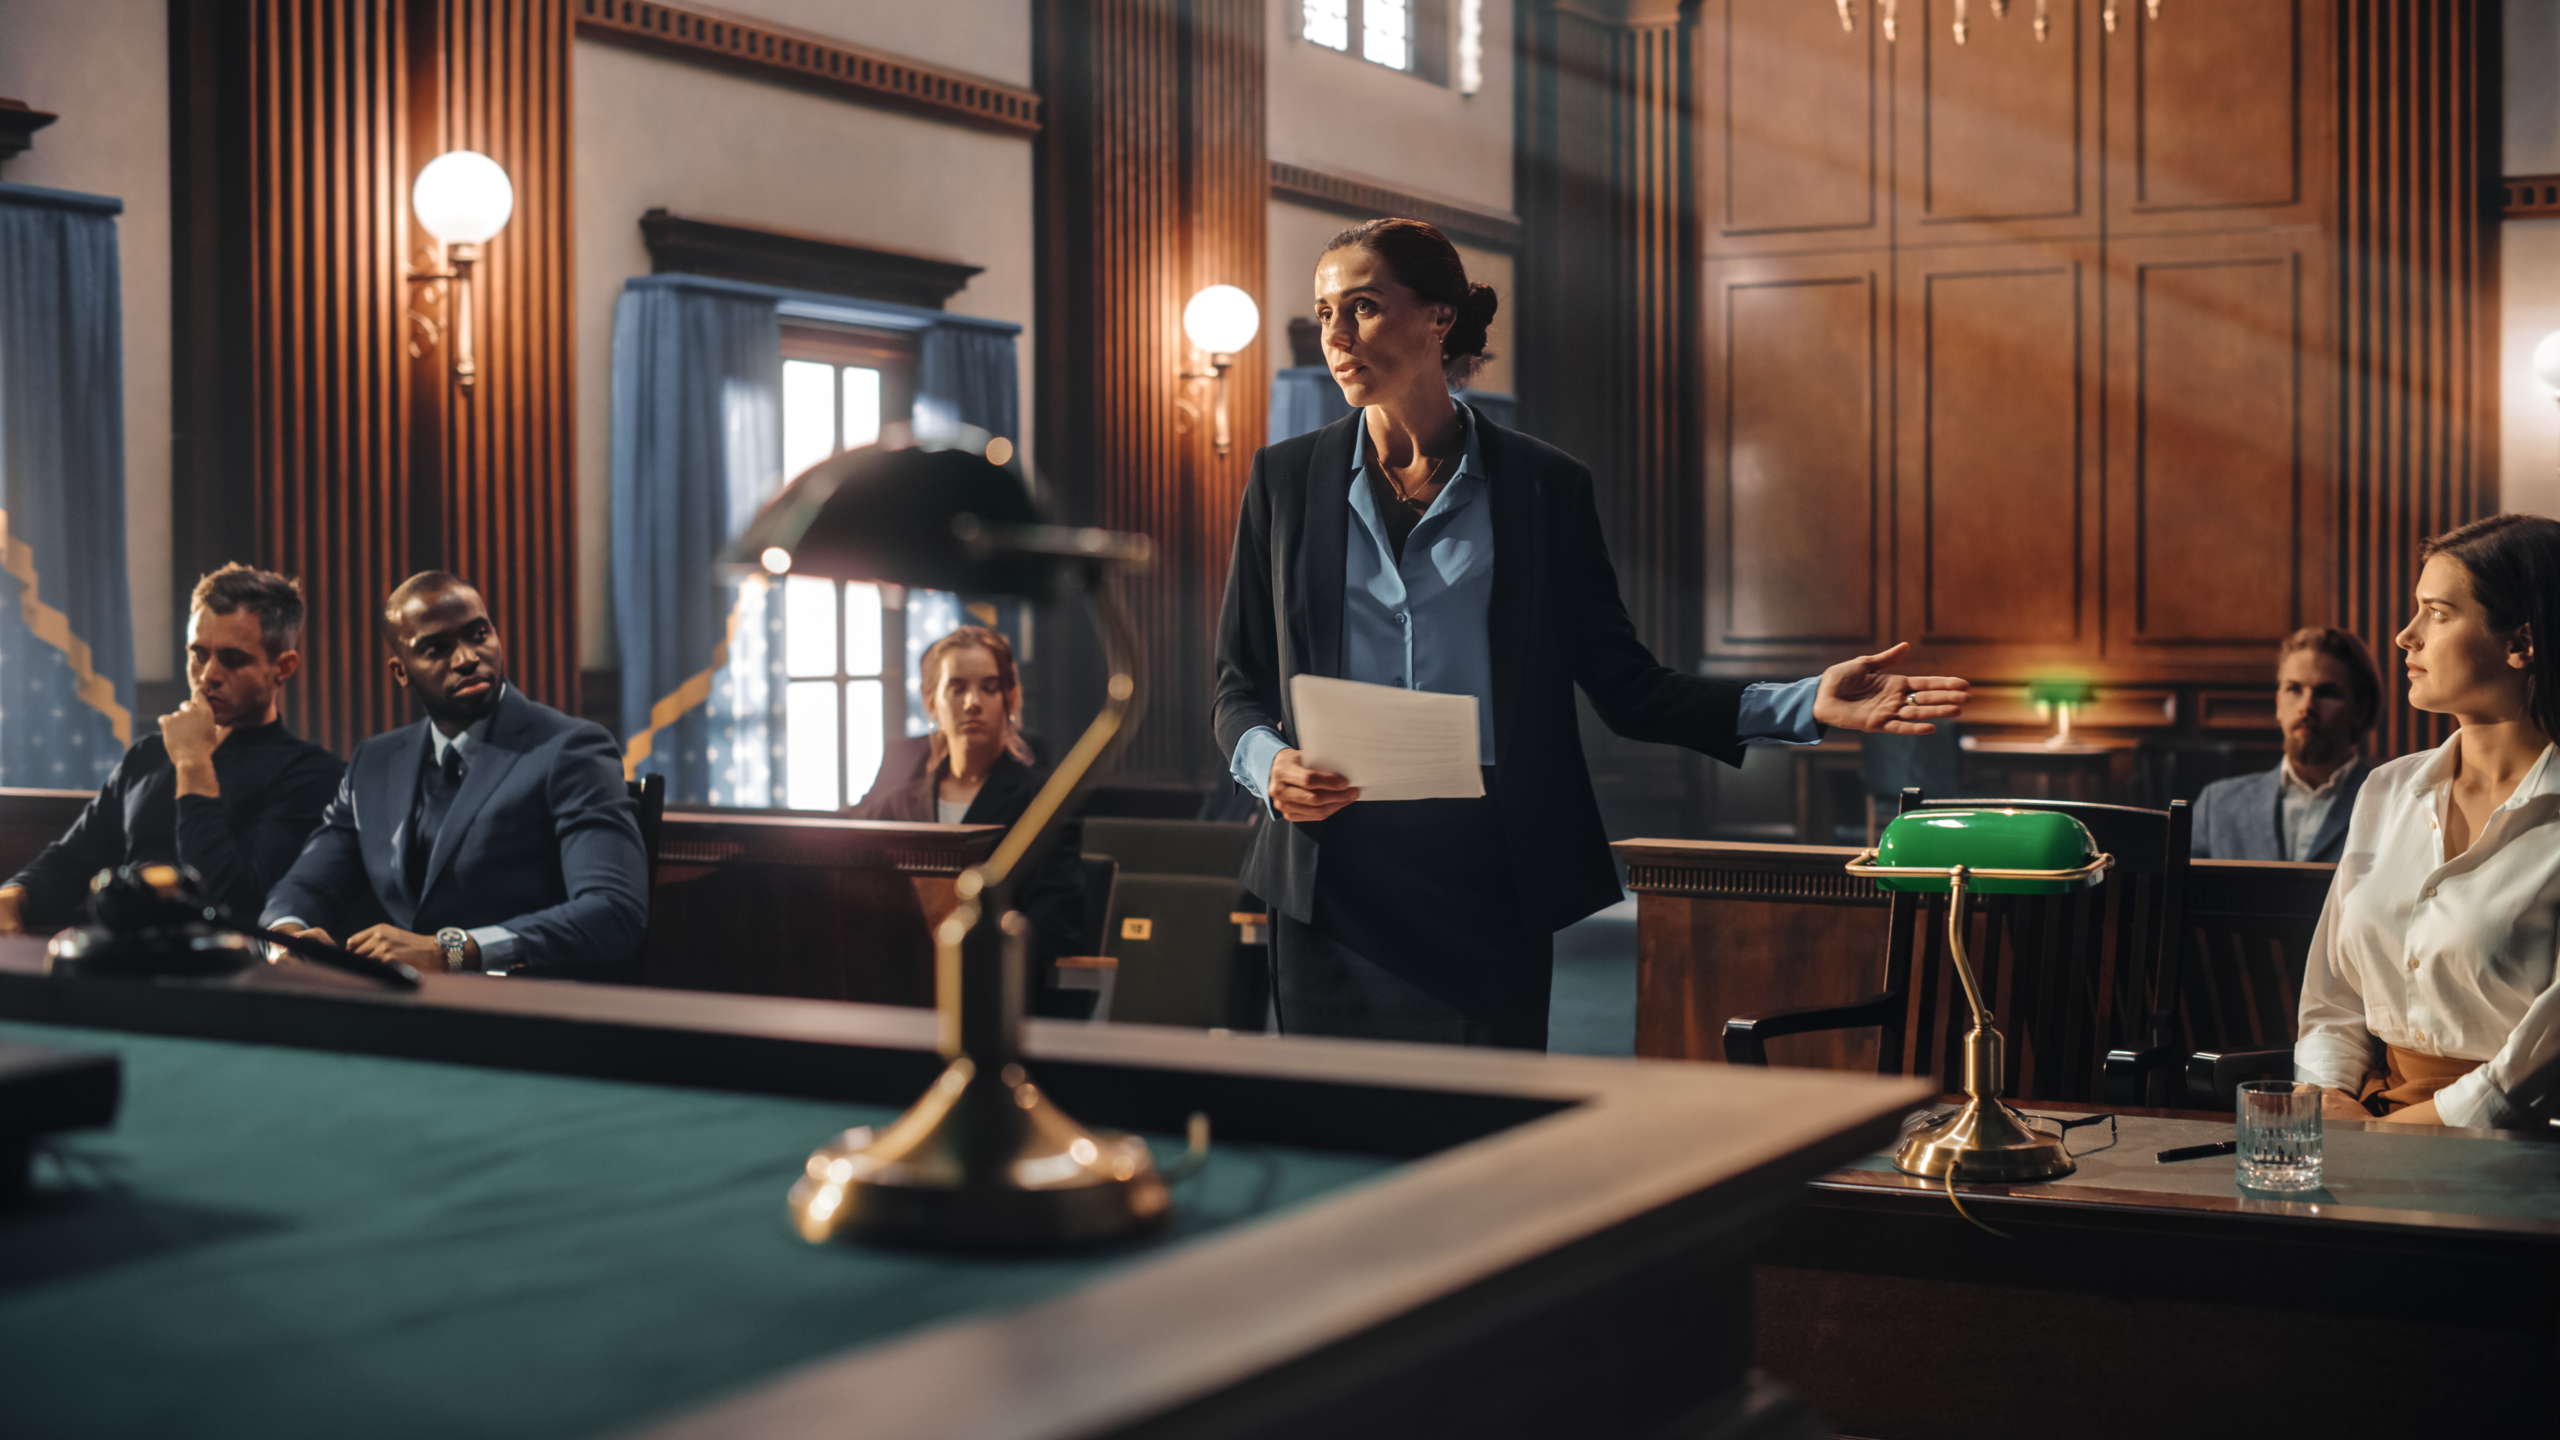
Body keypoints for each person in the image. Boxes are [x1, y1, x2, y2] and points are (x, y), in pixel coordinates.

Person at [1212, 218, 1970, 1049]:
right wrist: (1268, 764)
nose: (1336, 336)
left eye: (1362, 307)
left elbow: (1627, 686)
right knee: (1343, 1149)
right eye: (1325, 313)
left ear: (1438, 318)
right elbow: (1236, 686)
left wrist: (1804, 704)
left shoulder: (1542, 488)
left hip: (1486, 876)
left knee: (1483, 1146)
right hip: (1331, 883)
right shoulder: (1283, 481)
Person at [2297, 515, 2560, 1129]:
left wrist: (2402, 1131)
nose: (2404, 636)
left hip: (2522, 1151)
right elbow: (2333, 998)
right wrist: (2325, 1097)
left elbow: (2539, 1058)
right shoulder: (2388, 790)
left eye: (2438, 613)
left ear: (2521, 642)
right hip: (2369, 1119)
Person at [263, 572, 648, 978]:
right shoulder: (373, 762)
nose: (467, 658)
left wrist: (452, 950)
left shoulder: (570, 748)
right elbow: (304, 886)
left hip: (530, 1013)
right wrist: (288, 936)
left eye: (478, 634)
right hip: (403, 1011)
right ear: (401, 671)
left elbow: (614, 911)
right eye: (436, 648)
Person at [0, 564, 342, 932]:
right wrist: (15, 893)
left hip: (217, 970)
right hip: (116, 955)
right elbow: (73, 858)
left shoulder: (310, 773)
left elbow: (232, 900)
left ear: (283, 667)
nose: (209, 674)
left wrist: (194, 762)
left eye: (232, 659)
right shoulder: (149, 754)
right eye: (198, 654)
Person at [854, 625, 1084, 976]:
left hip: (995, 991)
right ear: (932, 701)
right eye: (957, 688)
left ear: (1012, 698)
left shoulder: (1045, 805)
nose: (973, 703)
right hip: (900, 986)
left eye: (989, 688)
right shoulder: (894, 808)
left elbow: (1053, 930)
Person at [2190, 628, 2382, 863]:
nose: (2307, 706)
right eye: (2294, 689)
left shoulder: (2392, 805)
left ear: (2359, 711)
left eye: (2326, 692)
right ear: (2279, 704)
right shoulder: (2218, 806)